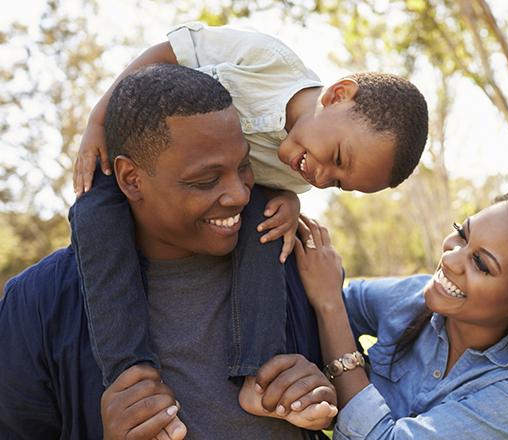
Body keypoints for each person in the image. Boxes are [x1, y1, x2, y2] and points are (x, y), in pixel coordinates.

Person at [69, 23, 430, 399]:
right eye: (338, 158)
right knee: (94, 212)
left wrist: (290, 201)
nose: (322, 177)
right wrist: (99, 119)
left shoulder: (302, 174)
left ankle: (259, 374)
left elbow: (267, 187)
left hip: (216, 201)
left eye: (339, 182)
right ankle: (130, 374)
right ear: (338, 95)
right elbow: (168, 52)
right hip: (142, 157)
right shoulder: (268, 61)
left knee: (269, 228)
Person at [0, 64, 337, 439]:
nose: (241, 195)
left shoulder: (291, 261)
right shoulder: (37, 303)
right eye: (205, 180)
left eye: (244, 167)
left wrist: (323, 393)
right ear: (131, 179)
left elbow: (362, 402)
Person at [245, 184, 508, 439]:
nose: (450, 257)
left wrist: (329, 308)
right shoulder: (414, 298)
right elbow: (310, 296)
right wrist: (283, 202)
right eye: (462, 232)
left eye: (482, 264)